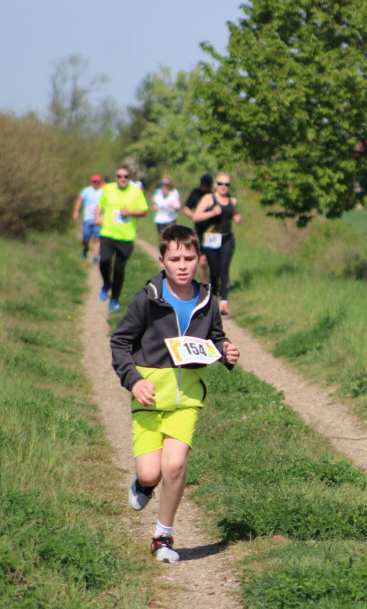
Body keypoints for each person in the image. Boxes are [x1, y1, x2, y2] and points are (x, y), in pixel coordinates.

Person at [109, 224, 240, 563]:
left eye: (189, 258)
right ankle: (143, 485)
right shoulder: (148, 299)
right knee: (151, 472)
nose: (182, 265)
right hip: (149, 399)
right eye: (175, 258)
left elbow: (214, 337)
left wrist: (225, 350)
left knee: (176, 464)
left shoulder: (207, 300)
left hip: (187, 400)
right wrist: (134, 380)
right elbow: (120, 342)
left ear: (200, 259)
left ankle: (162, 535)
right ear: (162, 261)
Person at [96, 166, 149, 313]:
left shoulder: (136, 191)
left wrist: (130, 212)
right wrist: (97, 217)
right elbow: (101, 205)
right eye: (119, 176)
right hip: (107, 232)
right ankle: (106, 283)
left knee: (119, 268)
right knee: (104, 261)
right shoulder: (108, 189)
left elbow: (144, 211)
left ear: (130, 178)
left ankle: (115, 299)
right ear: (115, 177)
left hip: (126, 236)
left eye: (126, 176)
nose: (123, 179)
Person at [192, 173, 242, 315]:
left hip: (227, 239)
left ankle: (224, 302)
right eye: (220, 184)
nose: (223, 187)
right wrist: (212, 213)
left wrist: (237, 217)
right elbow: (196, 216)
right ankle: (213, 299)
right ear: (215, 185)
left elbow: (234, 213)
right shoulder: (209, 199)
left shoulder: (233, 201)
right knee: (214, 271)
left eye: (227, 184)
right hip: (211, 239)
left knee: (224, 269)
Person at [184, 174, 213, 284]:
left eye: (206, 186)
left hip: (212, 230)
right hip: (200, 231)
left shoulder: (213, 195)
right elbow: (186, 208)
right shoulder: (196, 193)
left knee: (213, 261)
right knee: (202, 261)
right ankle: (205, 284)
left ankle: (214, 283)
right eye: (203, 185)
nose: (204, 188)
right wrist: (194, 216)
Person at [73, 174, 103, 263]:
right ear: (91, 182)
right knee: (85, 238)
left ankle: (95, 256)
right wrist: (76, 212)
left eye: (98, 182)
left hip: (98, 219)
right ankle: (86, 247)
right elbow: (79, 201)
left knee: (97, 238)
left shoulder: (103, 192)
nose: (96, 183)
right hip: (87, 218)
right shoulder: (85, 191)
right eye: (94, 181)